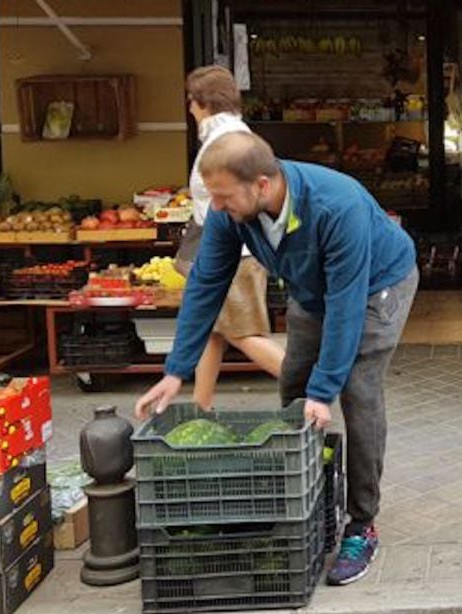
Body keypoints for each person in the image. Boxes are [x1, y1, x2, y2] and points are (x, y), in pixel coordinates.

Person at [134, 131, 418, 586]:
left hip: (374, 287)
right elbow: (207, 283)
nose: (219, 209)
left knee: (355, 391)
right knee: (293, 388)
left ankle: (362, 524)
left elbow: (346, 305)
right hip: (312, 291)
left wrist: (325, 391)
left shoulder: (335, 205)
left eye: (225, 198)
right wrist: (175, 371)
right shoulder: (232, 213)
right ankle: (313, 494)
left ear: (262, 185)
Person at [182, 66, 285, 409]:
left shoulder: (224, 139)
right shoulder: (227, 132)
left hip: (234, 253)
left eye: (191, 100)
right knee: (213, 332)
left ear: (200, 102)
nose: (189, 107)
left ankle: (313, 386)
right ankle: (201, 407)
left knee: (242, 334)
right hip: (233, 250)